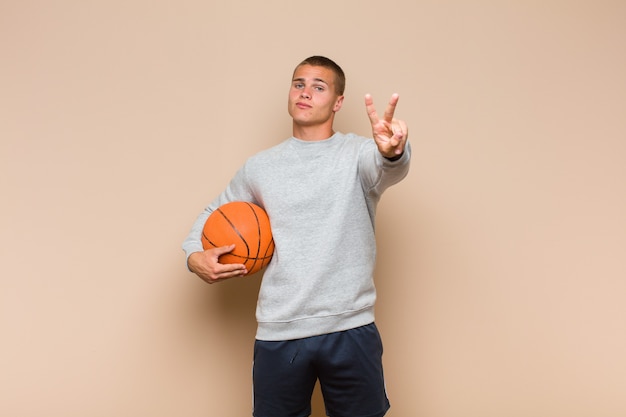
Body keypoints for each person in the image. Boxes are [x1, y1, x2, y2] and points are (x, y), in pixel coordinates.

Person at [182, 56, 410, 417]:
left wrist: (393, 151)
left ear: (337, 102)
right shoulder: (260, 166)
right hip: (279, 328)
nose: (305, 92)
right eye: (298, 83)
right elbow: (213, 213)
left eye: (318, 87)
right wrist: (194, 256)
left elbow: (388, 166)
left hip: (349, 326)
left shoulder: (358, 155)